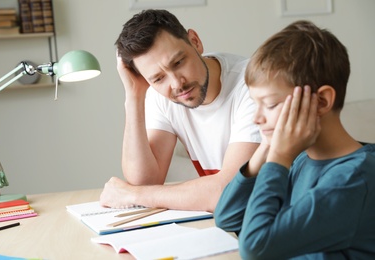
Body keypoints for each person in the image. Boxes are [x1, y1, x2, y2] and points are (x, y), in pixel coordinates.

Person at [214, 20, 375, 259]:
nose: (256, 118)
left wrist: (279, 157)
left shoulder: (354, 178)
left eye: (269, 104)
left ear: (321, 101)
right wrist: (267, 148)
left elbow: (255, 248)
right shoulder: (300, 159)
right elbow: (227, 217)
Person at [99, 9, 261, 212]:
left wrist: (133, 195)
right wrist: (134, 97)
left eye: (178, 63)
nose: (177, 83)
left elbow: (230, 192)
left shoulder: (255, 86)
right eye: (158, 78)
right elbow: (145, 181)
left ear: (195, 41)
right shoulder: (160, 97)